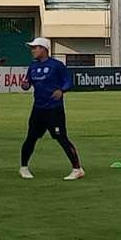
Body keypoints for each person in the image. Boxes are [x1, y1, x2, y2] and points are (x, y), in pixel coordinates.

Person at [19, 37, 84, 181]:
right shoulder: (33, 66)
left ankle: (77, 169)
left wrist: (62, 90)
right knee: (31, 138)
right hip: (38, 109)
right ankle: (23, 167)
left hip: (54, 110)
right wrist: (25, 85)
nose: (33, 50)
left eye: (35, 47)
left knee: (62, 138)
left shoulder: (57, 65)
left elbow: (68, 81)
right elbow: (28, 82)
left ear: (43, 49)